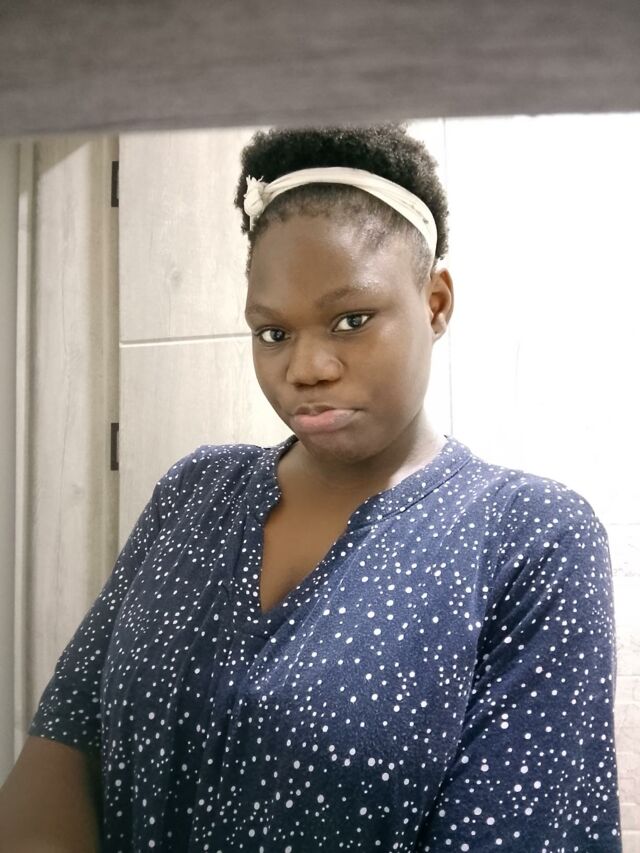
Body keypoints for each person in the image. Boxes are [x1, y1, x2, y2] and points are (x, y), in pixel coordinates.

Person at [0, 124, 621, 852]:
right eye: (273, 333)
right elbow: (66, 740)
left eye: (350, 320)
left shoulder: (530, 539)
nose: (306, 368)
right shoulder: (193, 492)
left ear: (436, 302)